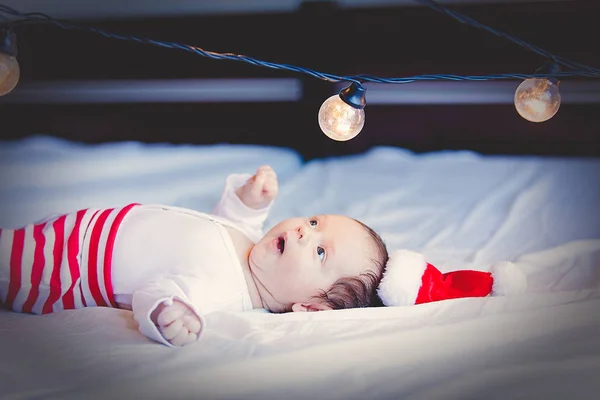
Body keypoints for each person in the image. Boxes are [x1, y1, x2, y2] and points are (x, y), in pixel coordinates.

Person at [0, 165, 389, 347]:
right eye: (315, 221)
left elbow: (158, 294)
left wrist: (170, 314)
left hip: (64, 271)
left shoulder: (223, 293)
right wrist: (249, 202)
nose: (305, 230)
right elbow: (227, 222)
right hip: (81, 231)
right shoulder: (253, 242)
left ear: (311, 308)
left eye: (320, 250)